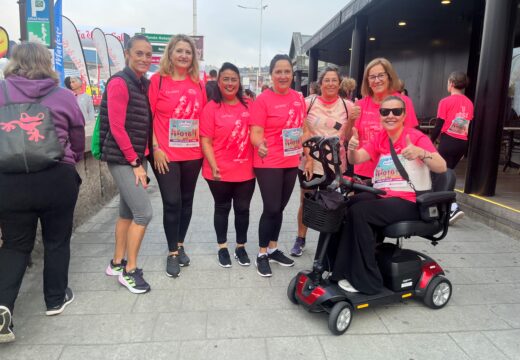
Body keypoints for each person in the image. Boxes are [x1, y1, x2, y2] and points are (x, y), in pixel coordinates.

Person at [0, 42, 85, 342]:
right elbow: (77, 138)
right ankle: (55, 298)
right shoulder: (62, 95)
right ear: (47, 63)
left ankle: (3, 306)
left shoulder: (1, 92)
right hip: (55, 177)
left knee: (14, 245)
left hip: (9, 181)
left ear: (13, 62)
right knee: (57, 240)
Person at [331, 95, 447, 294]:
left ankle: (366, 279)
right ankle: (338, 268)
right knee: (345, 205)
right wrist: (351, 149)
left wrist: (421, 152)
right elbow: (358, 157)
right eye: (385, 112)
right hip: (385, 195)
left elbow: (442, 166)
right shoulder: (381, 138)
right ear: (380, 115)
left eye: (396, 111)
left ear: (404, 115)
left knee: (361, 212)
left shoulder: (416, 137)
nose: (390, 115)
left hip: (409, 201)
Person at [148, 34, 207, 278]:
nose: (184, 55)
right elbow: (149, 116)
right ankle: (172, 252)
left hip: (193, 153)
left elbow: (205, 117)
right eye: (179, 51)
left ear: (193, 56)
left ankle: (180, 244)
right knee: (172, 202)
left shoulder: (199, 83)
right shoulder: (158, 81)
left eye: (188, 52)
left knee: (187, 201)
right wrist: (155, 148)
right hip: (165, 153)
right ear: (170, 53)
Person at [99, 35, 154, 294]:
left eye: (148, 54)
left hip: (132, 157)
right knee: (144, 213)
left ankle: (116, 263)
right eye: (139, 53)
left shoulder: (142, 84)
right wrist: (135, 162)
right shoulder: (120, 83)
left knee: (127, 213)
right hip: (123, 158)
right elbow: (118, 128)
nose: (144, 59)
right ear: (128, 54)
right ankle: (130, 271)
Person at [290, 66, 360, 257]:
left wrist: (352, 122)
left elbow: (345, 136)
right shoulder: (308, 103)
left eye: (334, 80)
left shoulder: (348, 106)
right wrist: (308, 157)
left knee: (332, 204)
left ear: (339, 84)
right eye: (326, 80)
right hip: (309, 162)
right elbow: (300, 130)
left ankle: (328, 244)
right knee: (307, 202)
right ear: (320, 84)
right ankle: (300, 238)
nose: (330, 84)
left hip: (336, 165)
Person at [249, 54, 305, 277]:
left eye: (287, 71)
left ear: (292, 74)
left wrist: (307, 152)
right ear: (271, 75)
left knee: (280, 208)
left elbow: (302, 127)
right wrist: (259, 144)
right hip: (268, 160)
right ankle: (261, 253)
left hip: (291, 159)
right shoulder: (262, 100)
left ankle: (273, 248)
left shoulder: (298, 98)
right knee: (271, 208)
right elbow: (255, 132)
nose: (283, 76)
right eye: (278, 72)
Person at [200, 62, 255, 267]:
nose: (230, 83)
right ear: (219, 82)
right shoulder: (211, 108)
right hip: (218, 171)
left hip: (246, 170)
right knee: (222, 208)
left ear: (239, 82)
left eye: (234, 79)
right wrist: (213, 165)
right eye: (226, 79)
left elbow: (258, 131)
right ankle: (222, 247)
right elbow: (205, 140)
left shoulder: (249, 105)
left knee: (243, 209)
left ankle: (241, 246)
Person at [353, 58, 419, 183]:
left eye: (381, 75)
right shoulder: (360, 105)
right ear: (367, 81)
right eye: (372, 77)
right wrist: (351, 120)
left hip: (392, 171)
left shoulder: (403, 102)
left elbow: (411, 138)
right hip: (364, 171)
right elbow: (351, 137)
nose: (377, 80)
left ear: (389, 77)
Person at [430, 71, 474, 224]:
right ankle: (442, 209)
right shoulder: (469, 103)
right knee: (445, 174)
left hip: (448, 141)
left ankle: (453, 207)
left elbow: (439, 125)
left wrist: (429, 141)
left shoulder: (446, 101)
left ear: (452, 84)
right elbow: (469, 127)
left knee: (439, 174)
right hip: (461, 143)